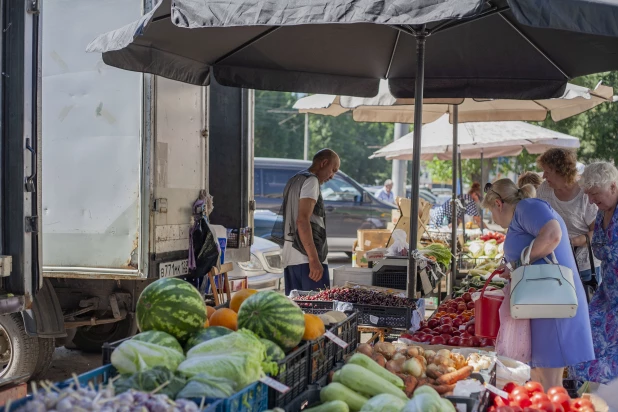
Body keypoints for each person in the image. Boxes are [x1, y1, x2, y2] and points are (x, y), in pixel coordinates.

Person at [482, 179, 594, 390]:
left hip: (552, 302)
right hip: (545, 300)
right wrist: (515, 267)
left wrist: (518, 263)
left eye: (490, 212)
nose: (493, 219)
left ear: (498, 203)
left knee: (550, 384)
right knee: (540, 381)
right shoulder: (525, 212)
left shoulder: (528, 207)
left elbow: (553, 236)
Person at [569, 162, 618, 384]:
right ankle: (588, 397)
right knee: (583, 341)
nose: (591, 201)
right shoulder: (601, 212)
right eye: (588, 195)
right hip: (606, 294)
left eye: (595, 194)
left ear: (613, 187)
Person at [275, 149, 340, 295]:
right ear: (324, 163)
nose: (332, 176)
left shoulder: (295, 179)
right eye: (333, 170)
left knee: (296, 311)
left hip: (290, 257)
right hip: (306, 260)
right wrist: (314, 259)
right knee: (316, 311)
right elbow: (302, 220)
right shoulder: (312, 181)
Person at [536, 148, 601, 285]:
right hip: (554, 264)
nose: (543, 176)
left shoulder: (584, 194)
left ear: (561, 171)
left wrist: (573, 241)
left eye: (547, 171)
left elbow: (597, 232)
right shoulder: (544, 190)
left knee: (586, 305)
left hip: (585, 268)